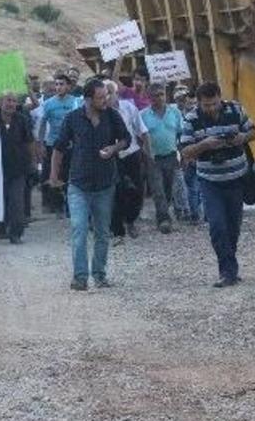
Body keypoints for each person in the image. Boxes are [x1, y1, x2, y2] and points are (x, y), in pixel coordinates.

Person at [49, 79, 130, 291]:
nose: (106, 100)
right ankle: (80, 277)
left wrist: (113, 150)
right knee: (79, 229)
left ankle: (100, 275)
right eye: (101, 97)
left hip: (105, 184)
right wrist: (53, 175)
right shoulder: (72, 119)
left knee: (103, 232)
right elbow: (59, 148)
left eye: (106, 96)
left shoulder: (112, 115)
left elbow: (126, 139)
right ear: (87, 99)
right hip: (78, 184)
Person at [179, 81, 255, 288]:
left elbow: (253, 132)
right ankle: (227, 271)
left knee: (233, 226)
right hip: (209, 181)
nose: (211, 108)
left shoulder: (235, 109)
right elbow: (185, 152)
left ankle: (230, 267)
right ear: (199, 103)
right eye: (206, 105)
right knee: (217, 226)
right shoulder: (191, 119)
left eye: (214, 104)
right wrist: (204, 145)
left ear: (220, 98)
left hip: (236, 178)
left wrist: (242, 138)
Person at [0, 91, 35, 244]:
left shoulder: (23, 119)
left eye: (14, 101)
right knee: (2, 200)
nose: (11, 104)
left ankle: (16, 233)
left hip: (19, 167)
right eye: (8, 100)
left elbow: (30, 141)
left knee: (17, 201)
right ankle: (2, 229)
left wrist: (33, 161)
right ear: (1, 102)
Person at [106, 80, 151, 241]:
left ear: (117, 93)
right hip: (112, 156)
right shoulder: (101, 112)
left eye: (110, 93)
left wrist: (148, 153)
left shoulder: (128, 107)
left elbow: (142, 131)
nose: (107, 96)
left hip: (132, 153)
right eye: (104, 93)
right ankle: (117, 228)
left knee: (137, 190)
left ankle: (131, 220)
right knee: (116, 192)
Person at [141, 83, 185, 234]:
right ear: (149, 98)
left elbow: (181, 135)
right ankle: (164, 219)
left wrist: (182, 155)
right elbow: (139, 137)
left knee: (168, 188)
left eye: (161, 94)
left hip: (171, 155)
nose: (159, 98)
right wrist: (145, 154)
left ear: (166, 95)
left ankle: (164, 211)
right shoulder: (143, 115)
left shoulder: (175, 113)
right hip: (152, 158)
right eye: (155, 95)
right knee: (157, 189)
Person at [37, 73, 80, 215]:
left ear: (68, 86)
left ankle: (70, 205)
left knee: (70, 175)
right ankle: (56, 206)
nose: (58, 87)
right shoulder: (48, 104)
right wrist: (41, 144)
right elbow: (42, 124)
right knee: (54, 175)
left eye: (62, 84)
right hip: (53, 144)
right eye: (56, 84)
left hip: (71, 145)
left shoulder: (75, 102)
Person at [173, 87, 202, 222]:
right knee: (193, 186)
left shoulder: (190, 119)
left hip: (199, 156)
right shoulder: (182, 119)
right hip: (190, 156)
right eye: (190, 103)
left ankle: (197, 214)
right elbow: (180, 140)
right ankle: (196, 214)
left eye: (194, 103)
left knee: (196, 187)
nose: (192, 106)